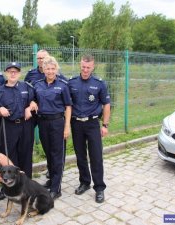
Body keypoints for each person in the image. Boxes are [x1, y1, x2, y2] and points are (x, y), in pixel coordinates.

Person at [68, 54, 110, 203]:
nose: (85, 70)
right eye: (83, 67)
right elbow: (67, 104)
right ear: (80, 65)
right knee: (80, 156)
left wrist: (105, 125)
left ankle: (99, 188)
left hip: (92, 124)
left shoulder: (100, 84)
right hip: (76, 124)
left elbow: (106, 105)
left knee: (96, 156)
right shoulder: (71, 82)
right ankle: (84, 182)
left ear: (93, 67)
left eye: (88, 67)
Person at [33, 56, 72, 200]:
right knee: (48, 153)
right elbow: (33, 99)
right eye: (47, 68)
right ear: (43, 69)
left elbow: (68, 106)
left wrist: (67, 126)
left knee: (57, 155)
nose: (50, 71)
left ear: (56, 69)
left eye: (52, 68)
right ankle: (51, 181)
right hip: (43, 123)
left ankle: (56, 188)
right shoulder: (37, 84)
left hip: (57, 123)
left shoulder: (62, 85)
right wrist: (31, 102)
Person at [25, 49, 67, 179]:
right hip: (38, 115)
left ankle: (56, 174)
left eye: (43, 58)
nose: (41, 60)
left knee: (57, 148)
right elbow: (26, 91)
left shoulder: (60, 78)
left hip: (54, 116)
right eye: (39, 58)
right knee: (46, 146)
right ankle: (50, 169)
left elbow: (67, 98)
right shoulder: (31, 75)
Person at [0, 62, 37, 178]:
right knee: (10, 155)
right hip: (9, 126)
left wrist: (30, 107)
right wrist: (0, 109)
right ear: (6, 73)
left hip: (25, 125)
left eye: (15, 71)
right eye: (10, 71)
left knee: (26, 154)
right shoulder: (0, 90)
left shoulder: (26, 87)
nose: (13, 74)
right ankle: (11, 183)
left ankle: (26, 182)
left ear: (19, 73)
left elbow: (35, 100)